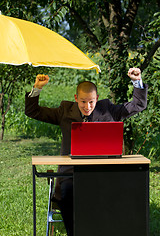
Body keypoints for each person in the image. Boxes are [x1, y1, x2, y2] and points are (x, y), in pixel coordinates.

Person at [25, 67, 148, 236]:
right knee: (67, 196)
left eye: (91, 101)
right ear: (76, 98)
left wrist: (137, 81)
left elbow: (138, 105)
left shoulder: (108, 111)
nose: (87, 106)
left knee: (117, 198)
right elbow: (33, 111)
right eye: (83, 102)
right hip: (70, 175)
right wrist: (37, 88)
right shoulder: (64, 112)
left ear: (97, 98)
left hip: (103, 174)